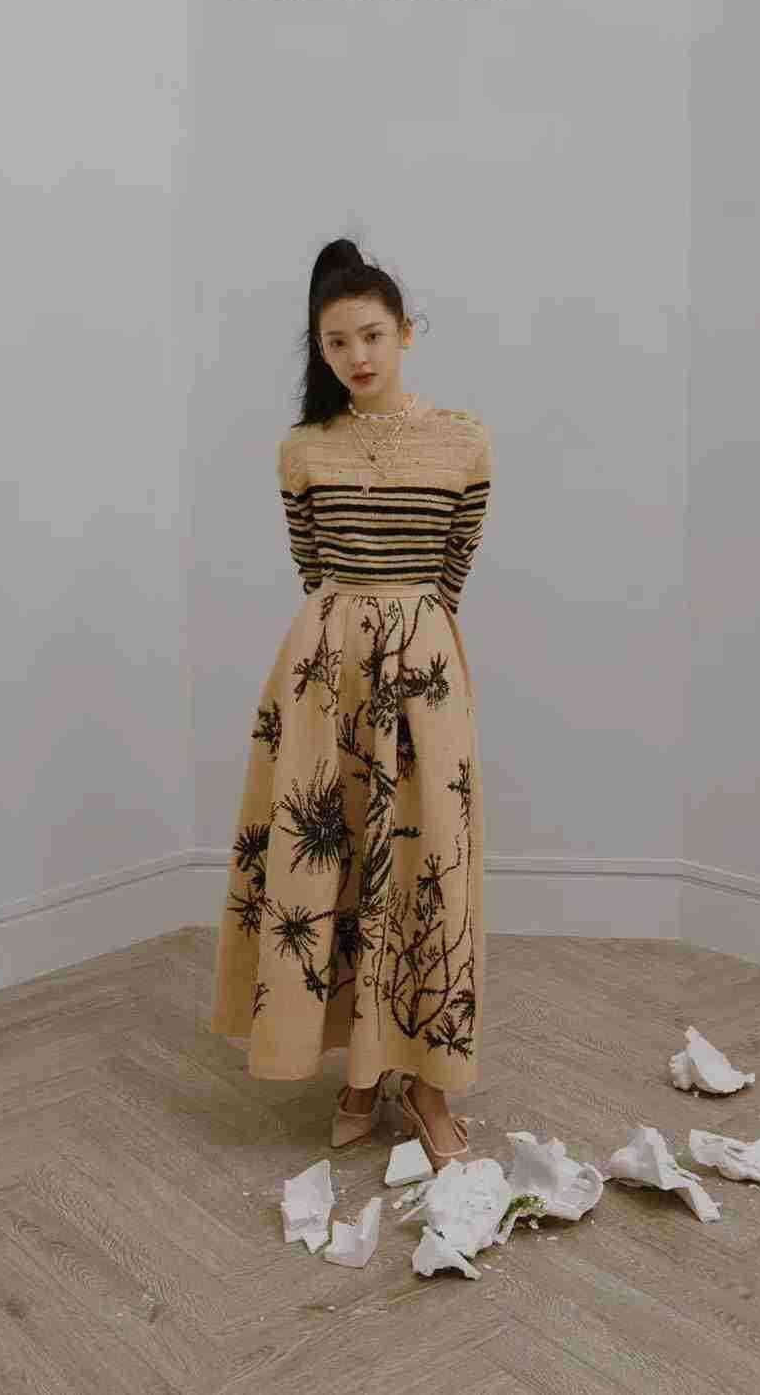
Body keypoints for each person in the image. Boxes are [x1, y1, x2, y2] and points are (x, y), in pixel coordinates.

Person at [208, 237, 492, 1171]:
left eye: (371, 335)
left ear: (406, 332)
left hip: (426, 670)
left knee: (429, 866)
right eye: (336, 342)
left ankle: (426, 1080)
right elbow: (313, 566)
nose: (356, 355)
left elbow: (450, 571)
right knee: (332, 862)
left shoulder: (464, 441)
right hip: (326, 674)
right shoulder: (302, 450)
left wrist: (407, 643)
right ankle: (361, 1070)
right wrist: (357, 637)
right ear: (320, 350)